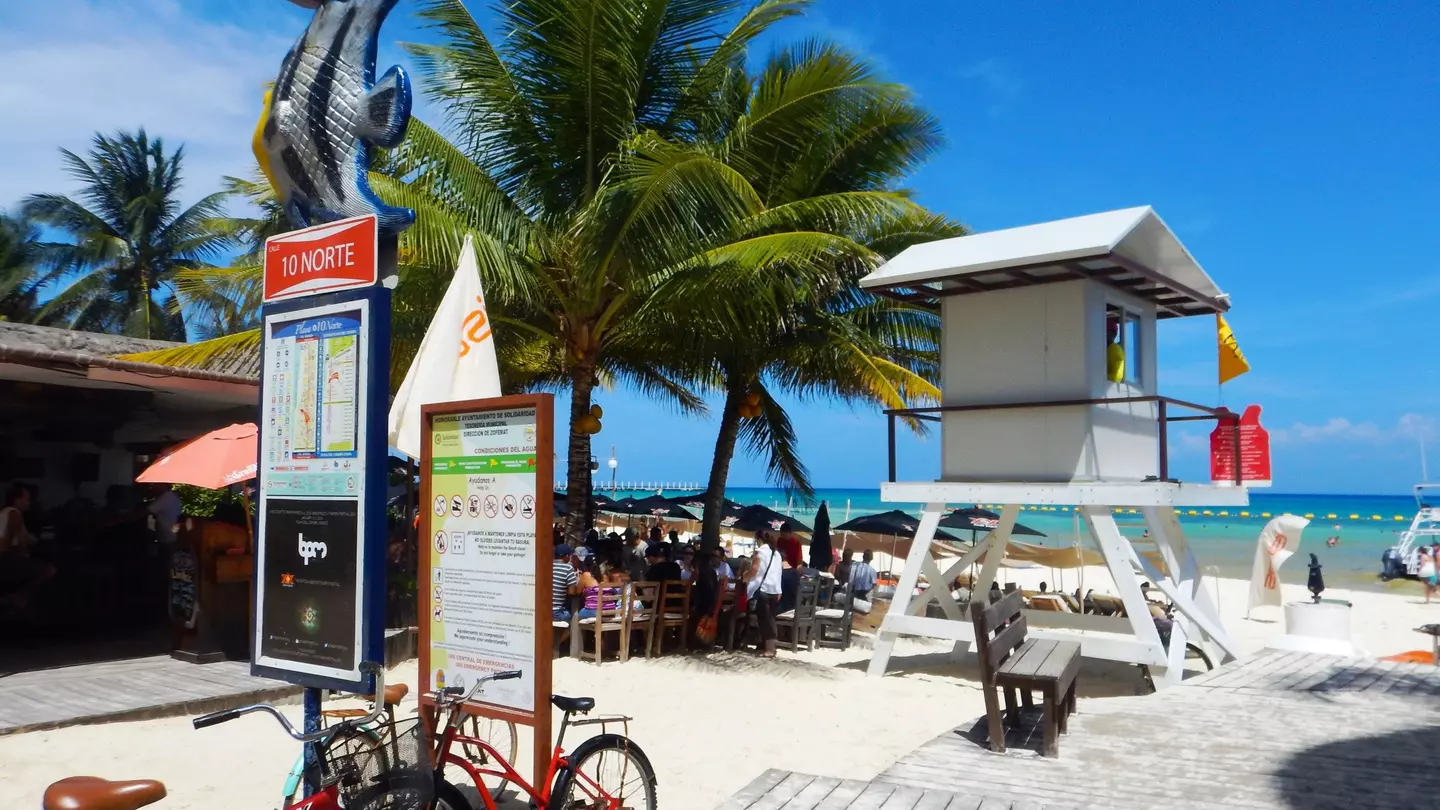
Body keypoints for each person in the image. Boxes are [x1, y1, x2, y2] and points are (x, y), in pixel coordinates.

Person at [0, 484, 55, 610]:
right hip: (4, 558)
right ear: (17, 499)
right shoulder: (14, 513)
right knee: (48, 570)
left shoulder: (6, 512)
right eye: (27, 499)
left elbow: (28, 537)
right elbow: (19, 541)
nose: (29, 503)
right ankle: (19, 597)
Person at [750, 536, 784, 657]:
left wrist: (745, 577)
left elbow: (754, 569)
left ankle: (769, 649)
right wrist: (779, 590)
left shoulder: (761, 552)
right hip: (774, 589)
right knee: (770, 618)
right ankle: (770, 647)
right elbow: (779, 573)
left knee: (764, 619)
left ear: (760, 540)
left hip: (764, 588)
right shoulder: (777, 554)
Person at [552, 544, 581, 621]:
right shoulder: (568, 568)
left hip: (543, 610)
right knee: (571, 615)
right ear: (566, 556)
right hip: (557, 612)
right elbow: (572, 592)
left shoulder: (546, 566)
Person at [1106, 316, 1125, 383]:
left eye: (1106, 331)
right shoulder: (1100, 349)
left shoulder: (1115, 350)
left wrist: (1097, 376)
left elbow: (1116, 376)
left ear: (1113, 334)